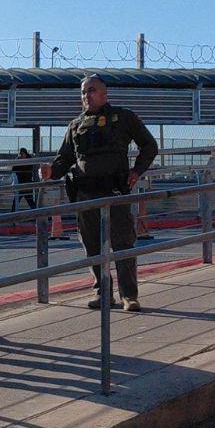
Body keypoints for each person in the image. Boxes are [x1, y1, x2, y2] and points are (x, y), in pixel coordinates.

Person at [40, 74, 158, 312]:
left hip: (114, 191)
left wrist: (137, 171)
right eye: (83, 92)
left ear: (105, 93)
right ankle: (103, 292)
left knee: (123, 244)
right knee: (92, 246)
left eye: (91, 90)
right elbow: (65, 158)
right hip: (85, 193)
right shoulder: (76, 125)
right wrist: (51, 171)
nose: (86, 96)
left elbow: (149, 145)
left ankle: (129, 296)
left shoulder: (123, 117)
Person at [11, 147, 37, 211]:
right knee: (16, 201)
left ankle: (37, 214)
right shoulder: (18, 160)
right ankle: (11, 215)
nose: (22, 155)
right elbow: (13, 169)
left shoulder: (29, 160)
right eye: (21, 154)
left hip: (27, 185)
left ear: (25, 154)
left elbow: (28, 169)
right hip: (20, 184)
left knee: (30, 201)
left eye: (23, 154)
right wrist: (18, 160)